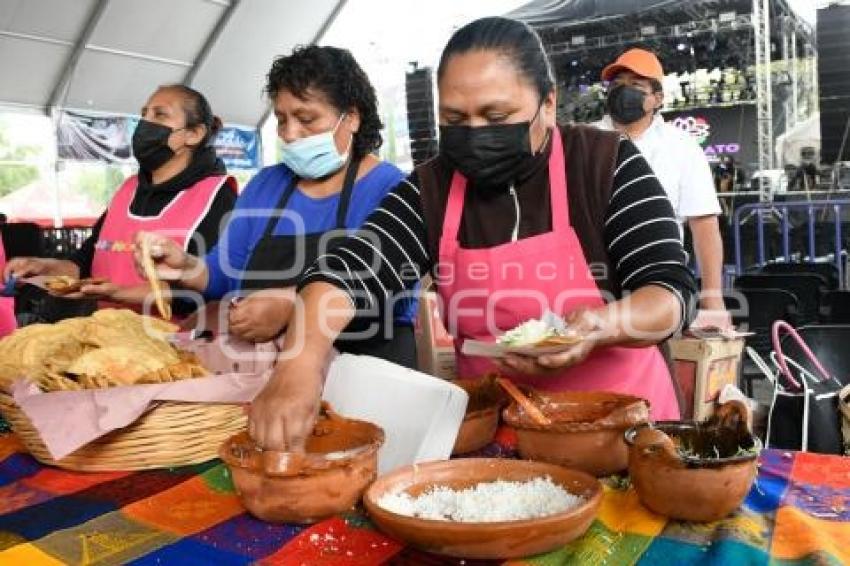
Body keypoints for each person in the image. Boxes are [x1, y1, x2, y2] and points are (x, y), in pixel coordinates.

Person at [245, 17, 698, 451]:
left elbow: (670, 293)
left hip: (626, 439)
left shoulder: (603, 164)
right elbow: (353, 268)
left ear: (549, 103)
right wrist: (299, 363)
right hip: (495, 443)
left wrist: (601, 325)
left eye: (497, 116)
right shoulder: (432, 189)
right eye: (456, 121)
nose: (476, 134)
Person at [136, 46, 418, 366]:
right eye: (282, 120)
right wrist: (184, 266)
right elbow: (225, 275)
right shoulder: (265, 186)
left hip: (365, 375)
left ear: (351, 118)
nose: (290, 134)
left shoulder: (392, 189)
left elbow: (389, 292)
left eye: (306, 118)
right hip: (260, 375)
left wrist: (293, 306)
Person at [4, 85, 237, 316]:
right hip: (110, 338)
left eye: (160, 114)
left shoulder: (216, 195)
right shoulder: (128, 189)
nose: (145, 123)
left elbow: (204, 288)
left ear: (193, 134)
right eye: (144, 113)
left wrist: (118, 293)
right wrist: (44, 267)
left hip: (174, 345)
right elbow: (83, 261)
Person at [593, 48, 725, 313]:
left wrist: (712, 298)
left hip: (657, 286)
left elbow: (704, 226)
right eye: (617, 84)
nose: (623, 91)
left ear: (658, 98)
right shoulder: (585, 139)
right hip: (591, 282)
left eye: (636, 85)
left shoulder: (682, 147)